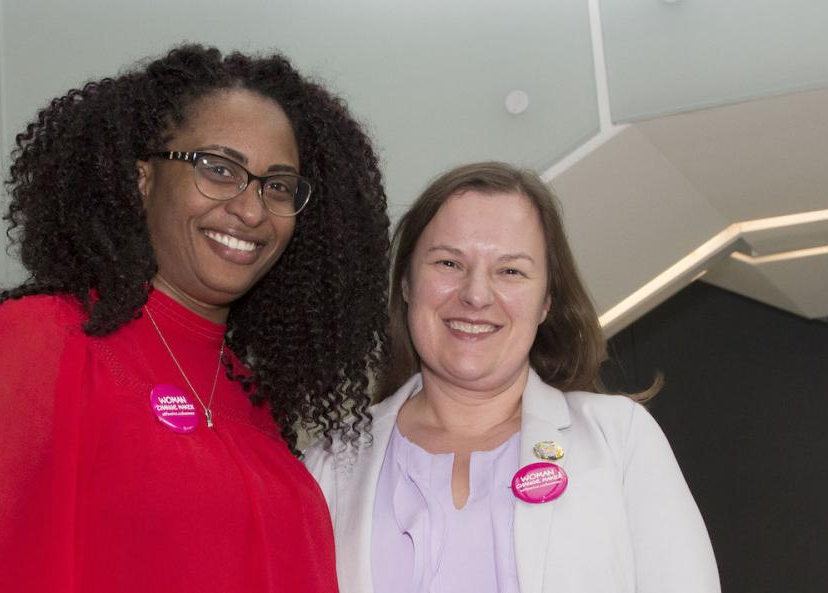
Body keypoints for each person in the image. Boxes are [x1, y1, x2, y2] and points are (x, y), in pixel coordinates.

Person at [0, 44, 390, 593]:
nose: (250, 209)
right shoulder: (38, 341)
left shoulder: (254, 400)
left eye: (278, 186)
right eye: (219, 169)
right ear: (143, 178)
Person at [305, 162, 720, 593]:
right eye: (448, 262)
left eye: (510, 271)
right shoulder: (332, 463)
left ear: (545, 303)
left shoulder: (619, 439)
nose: (476, 295)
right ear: (406, 284)